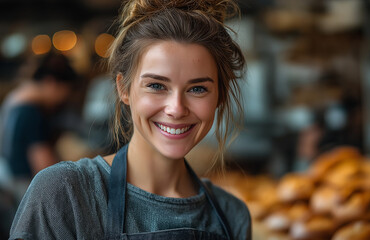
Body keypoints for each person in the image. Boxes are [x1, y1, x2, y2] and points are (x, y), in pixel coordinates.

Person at [9, 0, 251, 239]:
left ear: (220, 94)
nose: (176, 109)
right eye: (156, 85)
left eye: (197, 89)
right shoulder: (64, 194)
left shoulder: (233, 216)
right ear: (124, 89)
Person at [0, 52, 77, 182]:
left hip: (10, 183)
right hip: (24, 188)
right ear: (51, 83)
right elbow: (46, 171)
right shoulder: (31, 111)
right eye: (65, 92)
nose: (64, 99)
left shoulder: (16, 99)